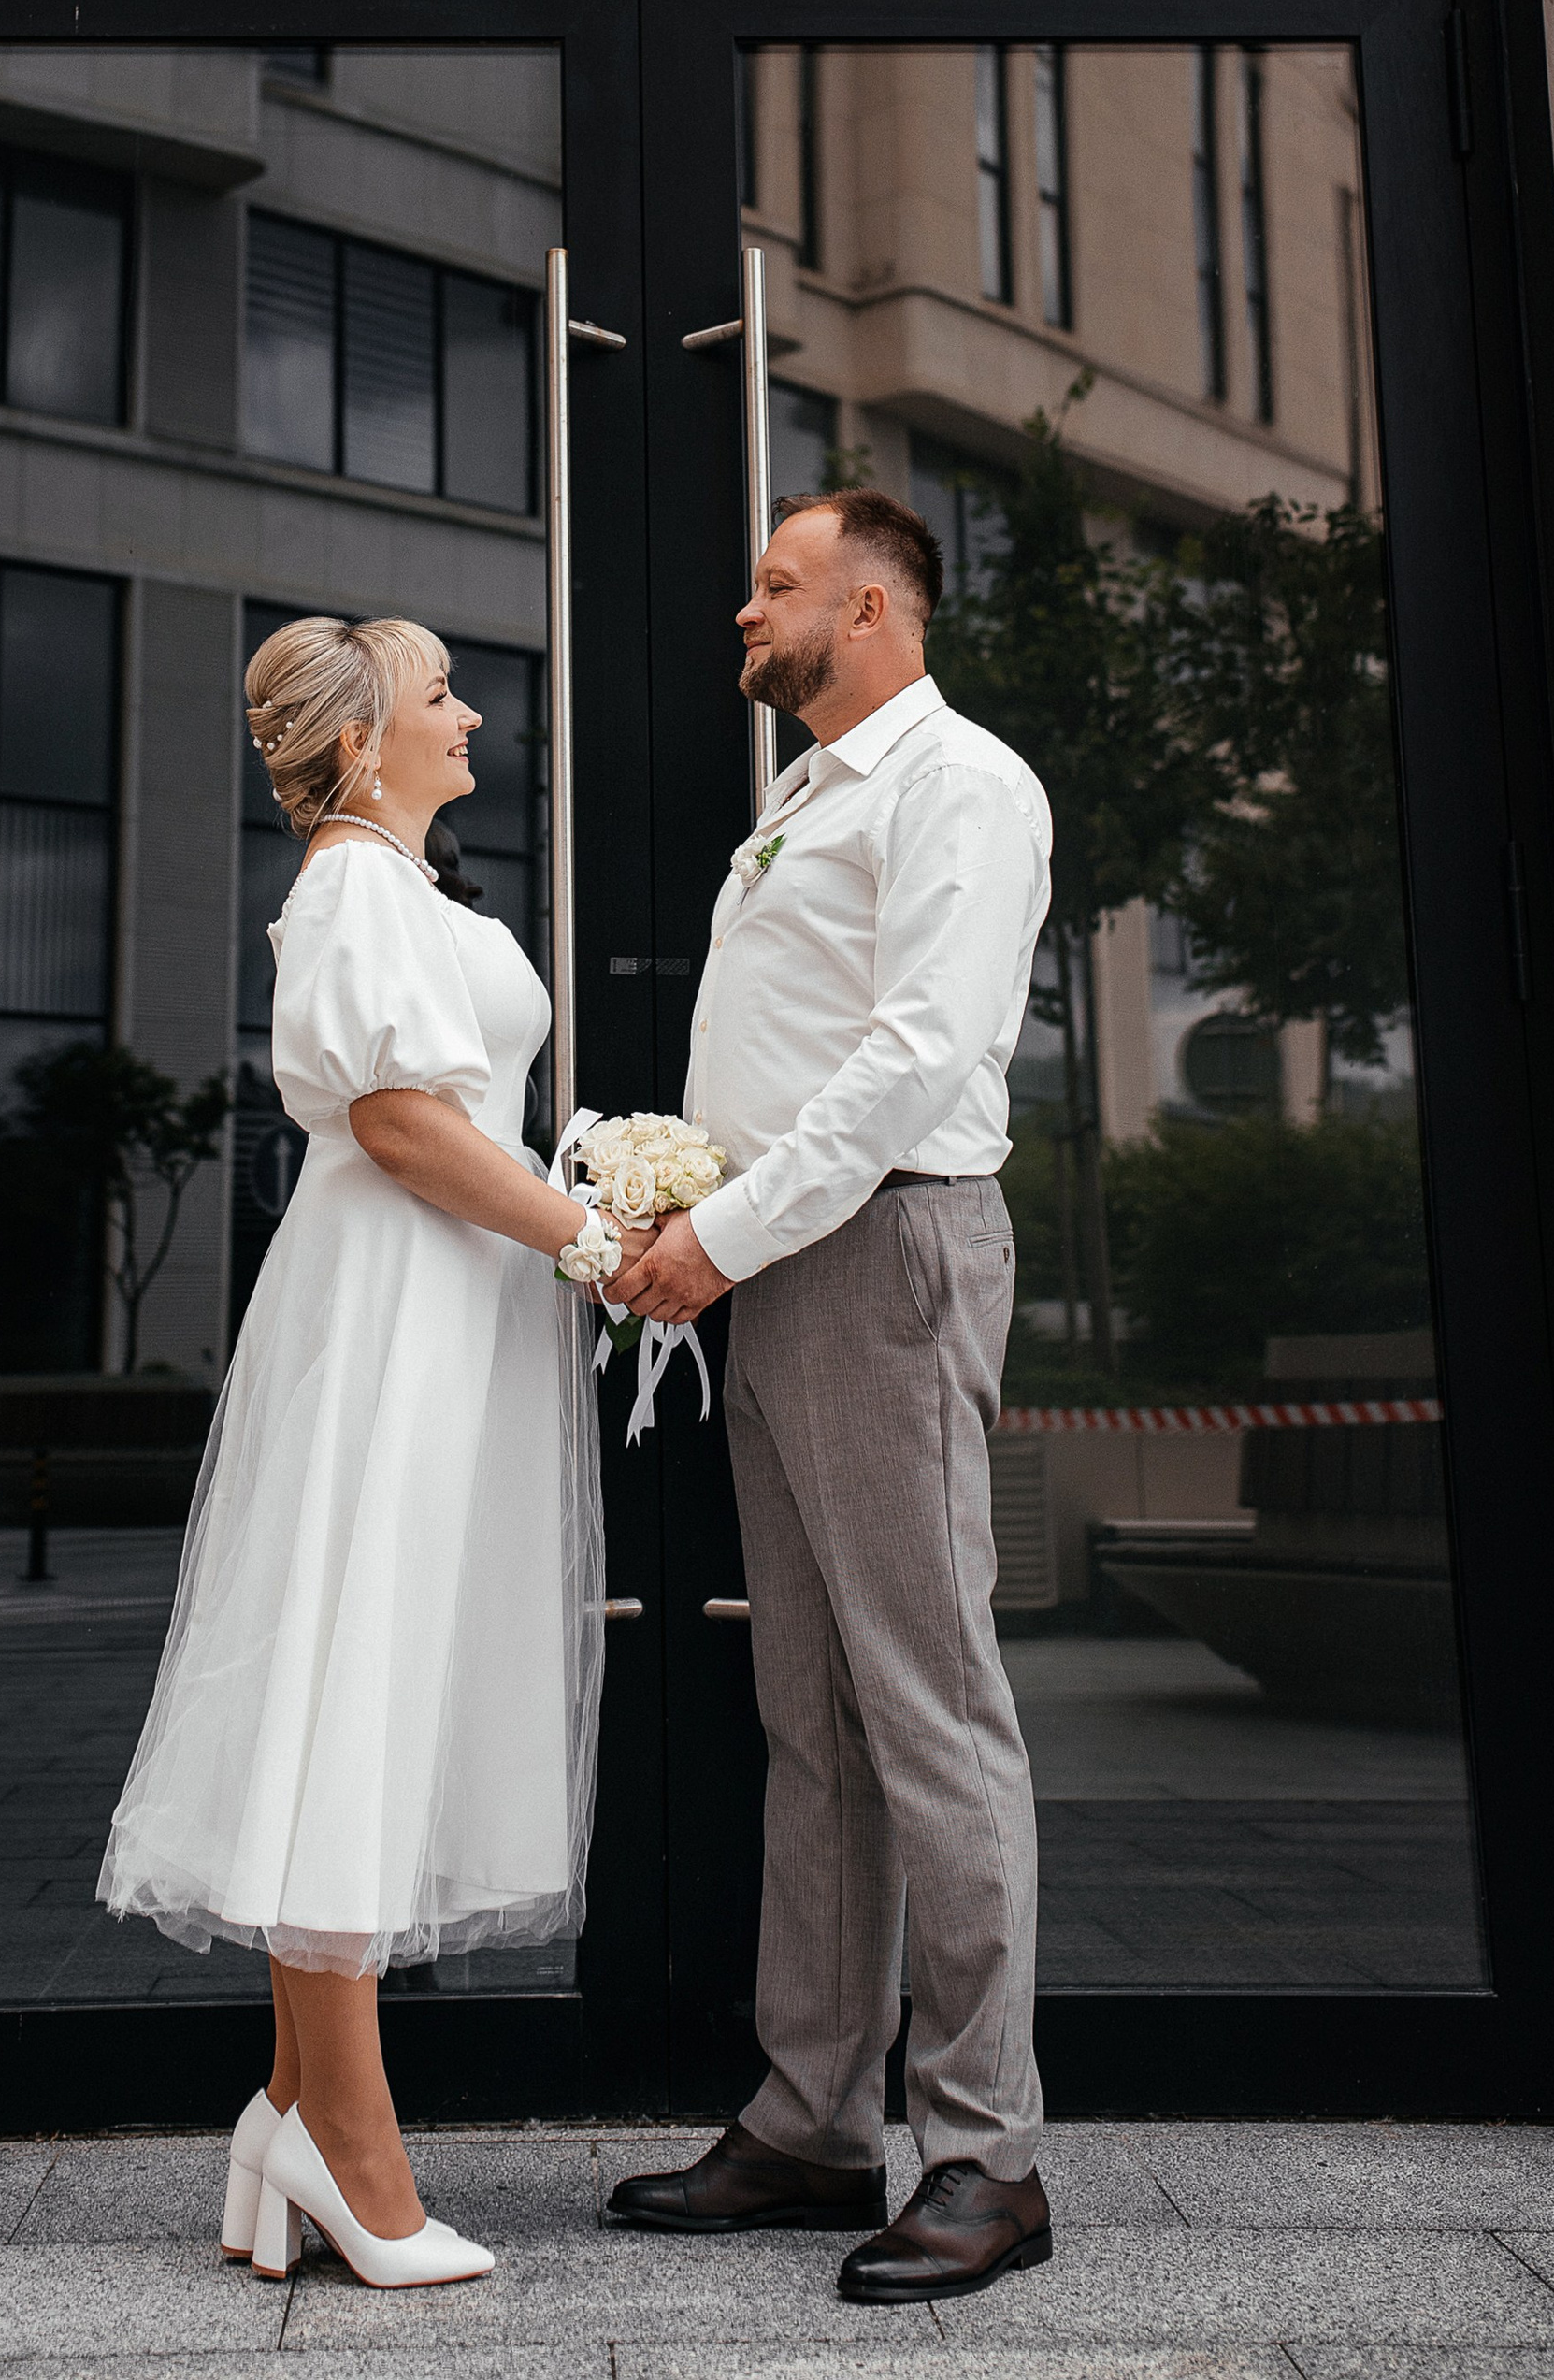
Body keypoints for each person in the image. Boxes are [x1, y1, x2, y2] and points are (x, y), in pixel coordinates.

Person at [99, 613, 629, 2292]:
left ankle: (286, 2114)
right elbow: (404, 1125)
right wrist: (590, 1236)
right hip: (390, 1317)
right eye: (437, 692)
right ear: (358, 741)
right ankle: (354, 2156)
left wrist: (564, 1212)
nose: (470, 710)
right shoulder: (345, 888)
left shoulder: (400, 891)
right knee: (354, 1679)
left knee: (378, 1673)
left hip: (442, 1313)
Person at [606, 489, 1056, 2307]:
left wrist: (715, 1227)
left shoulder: (964, 782)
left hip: (878, 1252)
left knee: (930, 1709)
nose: (746, 604)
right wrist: (682, 1217)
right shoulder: (802, 795)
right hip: (779, 1262)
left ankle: (983, 2152)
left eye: (777, 581)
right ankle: (809, 2116)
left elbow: (909, 1055)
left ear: (869, 603)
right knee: (813, 1716)